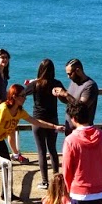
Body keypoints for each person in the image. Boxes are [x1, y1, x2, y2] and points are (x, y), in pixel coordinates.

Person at [25, 58, 66, 189]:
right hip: (53, 120)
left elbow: (22, 93)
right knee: (52, 150)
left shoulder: (35, 84)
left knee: (41, 151)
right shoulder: (57, 83)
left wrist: (30, 83)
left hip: (38, 120)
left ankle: (44, 181)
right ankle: (56, 180)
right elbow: (65, 98)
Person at [0, 49, 26, 162]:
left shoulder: (4, 72)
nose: (5, 60)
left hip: (5, 105)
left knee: (11, 130)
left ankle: (15, 154)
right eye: (2, 57)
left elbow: (3, 89)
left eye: (7, 57)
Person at [53, 57, 98, 136]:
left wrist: (66, 94)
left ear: (78, 70)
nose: (68, 77)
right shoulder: (74, 82)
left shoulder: (90, 86)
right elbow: (68, 101)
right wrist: (60, 95)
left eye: (70, 74)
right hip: (70, 129)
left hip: (82, 132)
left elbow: (82, 107)